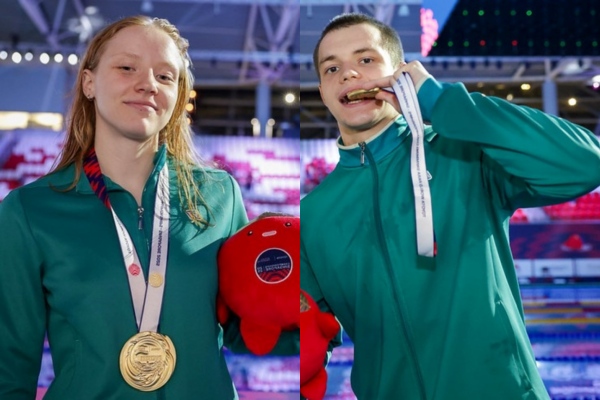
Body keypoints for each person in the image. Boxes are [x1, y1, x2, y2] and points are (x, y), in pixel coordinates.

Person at [300, 12, 600, 400]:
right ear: (323, 91)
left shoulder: (464, 154)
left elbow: (585, 164)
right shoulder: (314, 215)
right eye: (332, 68)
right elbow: (308, 334)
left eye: (366, 59)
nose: (349, 74)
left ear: (401, 71)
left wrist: (439, 101)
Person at [0, 15, 298, 399]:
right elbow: (9, 368)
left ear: (178, 95)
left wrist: (311, 313)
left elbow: (247, 329)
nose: (148, 84)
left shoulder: (219, 195)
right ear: (89, 83)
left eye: (165, 76)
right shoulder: (31, 211)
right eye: (127, 68)